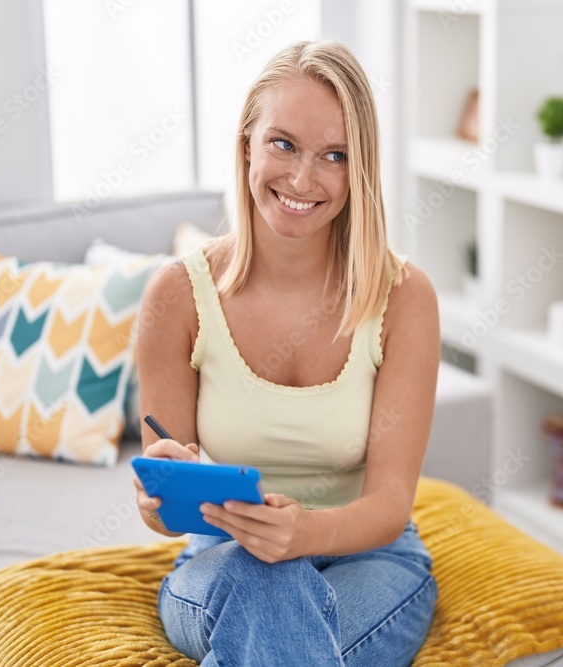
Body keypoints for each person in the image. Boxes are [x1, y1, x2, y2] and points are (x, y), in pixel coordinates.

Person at [133, 39, 441, 667]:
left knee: (272, 602)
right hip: (223, 560)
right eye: (283, 144)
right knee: (262, 580)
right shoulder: (178, 296)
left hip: (374, 561)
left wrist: (304, 534)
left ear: (360, 172)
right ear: (246, 142)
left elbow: (388, 505)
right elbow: (172, 510)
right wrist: (156, 500)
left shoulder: (404, 297)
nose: (303, 179)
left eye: (335, 155)